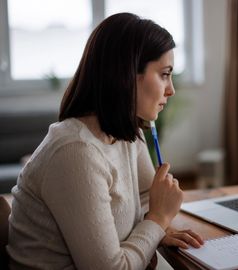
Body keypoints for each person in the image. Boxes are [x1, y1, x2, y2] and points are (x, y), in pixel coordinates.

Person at [7, 13, 204, 270]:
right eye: (164, 74)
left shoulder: (126, 132)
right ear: (127, 75)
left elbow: (148, 199)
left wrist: (156, 225)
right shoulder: (76, 151)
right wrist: (157, 221)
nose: (171, 90)